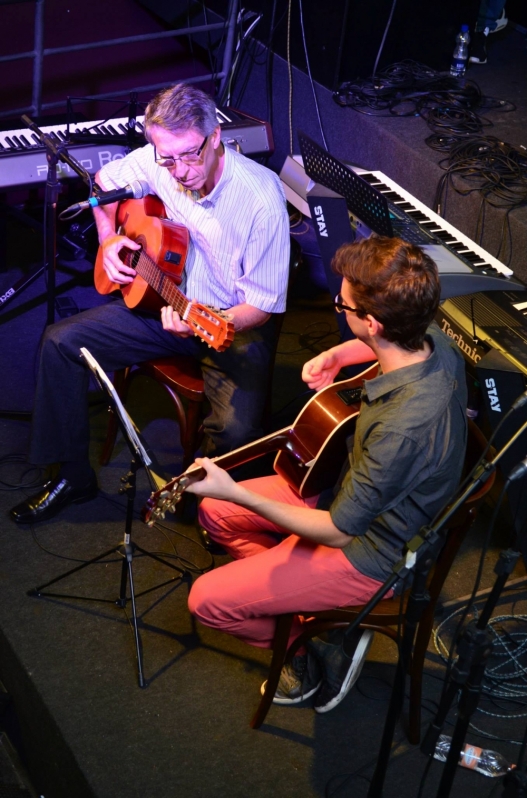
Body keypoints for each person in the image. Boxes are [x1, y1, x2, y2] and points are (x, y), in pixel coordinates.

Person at [186, 236, 468, 714]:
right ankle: (307, 607)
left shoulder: (404, 428)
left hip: (370, 552)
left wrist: (238, 489)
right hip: (353, 496)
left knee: (207, 602)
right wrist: (340, 357)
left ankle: (303, 649)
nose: (338, 309)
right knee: (216, 511)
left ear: (372, 323)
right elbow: (390, 345)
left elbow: (339, 532)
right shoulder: (432, 338)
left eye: (342, 304)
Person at [10, 83, 290, 525]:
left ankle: (210, 512)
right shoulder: (159, 159)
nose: (178, 171)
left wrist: (206, 321)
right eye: (167, 158)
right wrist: (108, 242)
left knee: (237, 432)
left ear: (215, 136)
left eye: (190, 155)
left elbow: (263, 306)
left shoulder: (261, 201)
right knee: (60, 343)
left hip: (231, 322)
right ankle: (72, 476)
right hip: (163, 301)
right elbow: (102, 186)